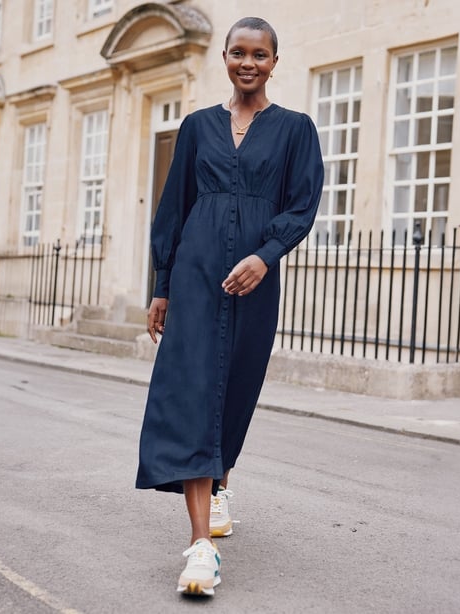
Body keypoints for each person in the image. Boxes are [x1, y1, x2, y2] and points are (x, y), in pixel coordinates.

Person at [136, 16, 324, 596]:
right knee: (191, 392)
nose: (249, 63)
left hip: (254, 284)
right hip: (195, 277)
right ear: (223, 57)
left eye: (260, 54)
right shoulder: (196, 127)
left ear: (274, 61)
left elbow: (302, 204)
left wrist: (266, 256)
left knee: (235, 389)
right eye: (238, 52)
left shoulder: (296, 129)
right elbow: (174, 206)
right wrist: (162, 284)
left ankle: (219, 481)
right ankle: (200, 548)